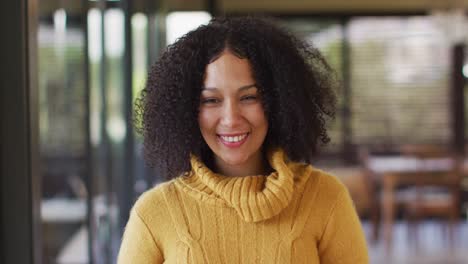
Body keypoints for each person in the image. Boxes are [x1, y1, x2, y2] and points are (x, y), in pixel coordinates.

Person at [118, 16, 368, 263]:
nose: (230, 119)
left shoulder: (326, 198)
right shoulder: (154, 213)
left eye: (249, 97)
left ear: (278, 101)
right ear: (185, 110)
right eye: (211, 100)